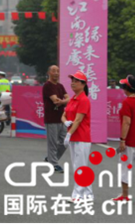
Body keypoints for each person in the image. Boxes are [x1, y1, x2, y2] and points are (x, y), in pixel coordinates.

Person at [62, 71, 93, 200]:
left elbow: (79, 120)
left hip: (81, 137)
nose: (73, 83)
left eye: (76, 81)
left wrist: (68, 133)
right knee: (78, 166)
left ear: (83, 84)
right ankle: (88, 194)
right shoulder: (72, 99)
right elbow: (63, 115)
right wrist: (66, 122)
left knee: (80, 166)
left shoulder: (84, 100)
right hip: (74, 137)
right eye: (72, 80)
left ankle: (78, 194)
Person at [42, 65, 70, 173]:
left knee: (65, 142)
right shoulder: (47, 85)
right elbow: (55, 100)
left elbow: (68, 99)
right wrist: (64, 101)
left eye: (58, 71)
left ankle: (51, 159)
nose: (56, 73)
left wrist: (62, 101)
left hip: (62, 118)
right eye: (54, 71)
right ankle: (53, 164)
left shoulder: (60, 86)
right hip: (51, 118)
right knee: (52, 143)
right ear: (49, 73)